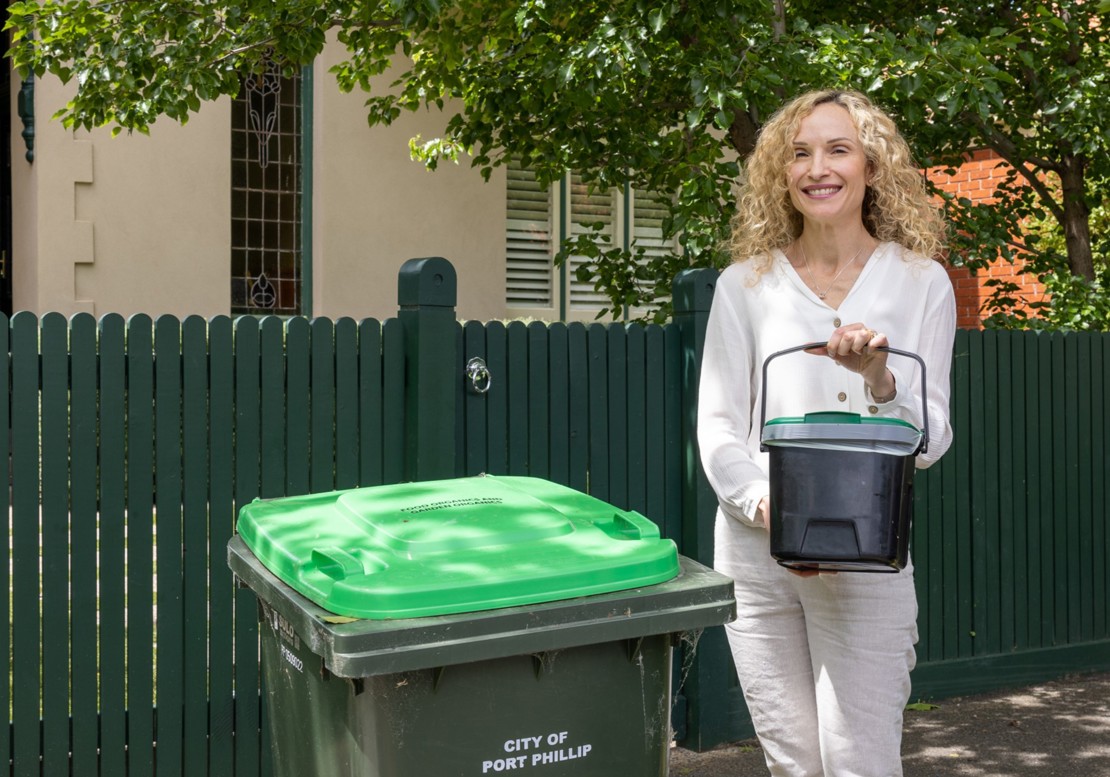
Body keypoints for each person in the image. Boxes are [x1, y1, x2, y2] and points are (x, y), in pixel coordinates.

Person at [697, 88, 956, 776]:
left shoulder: (920, 283)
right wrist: (768, 507)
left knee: (857, 760)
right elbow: (720, 427)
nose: (818, 167)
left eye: (838, 149)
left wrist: (880, 376)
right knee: (792, 762)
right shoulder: (744, 285)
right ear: (780, 174)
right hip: (757, 555)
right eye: (800, 152)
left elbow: (929, 441)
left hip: (865, 552)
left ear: (872, 165)